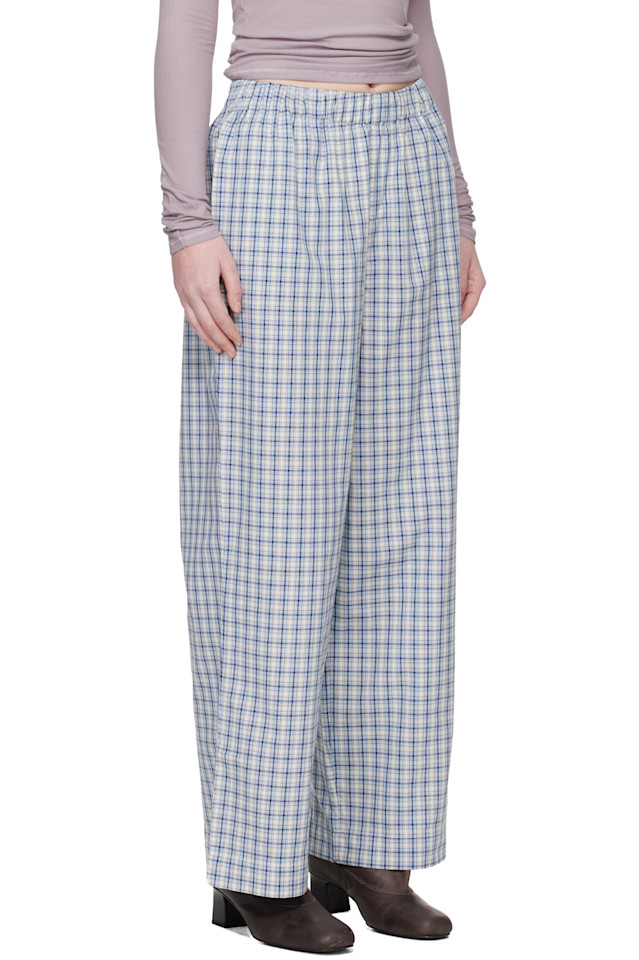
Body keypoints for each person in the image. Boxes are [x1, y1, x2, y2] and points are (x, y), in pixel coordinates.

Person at [154, 0, 486, 951]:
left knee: (402, 516)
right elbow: (185, 29)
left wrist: (457, 207)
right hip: (276, 147)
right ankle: (256, 861)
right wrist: (188, 224)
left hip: (406, 147)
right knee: (273, 526)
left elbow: (417, 25)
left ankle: (367, 846)